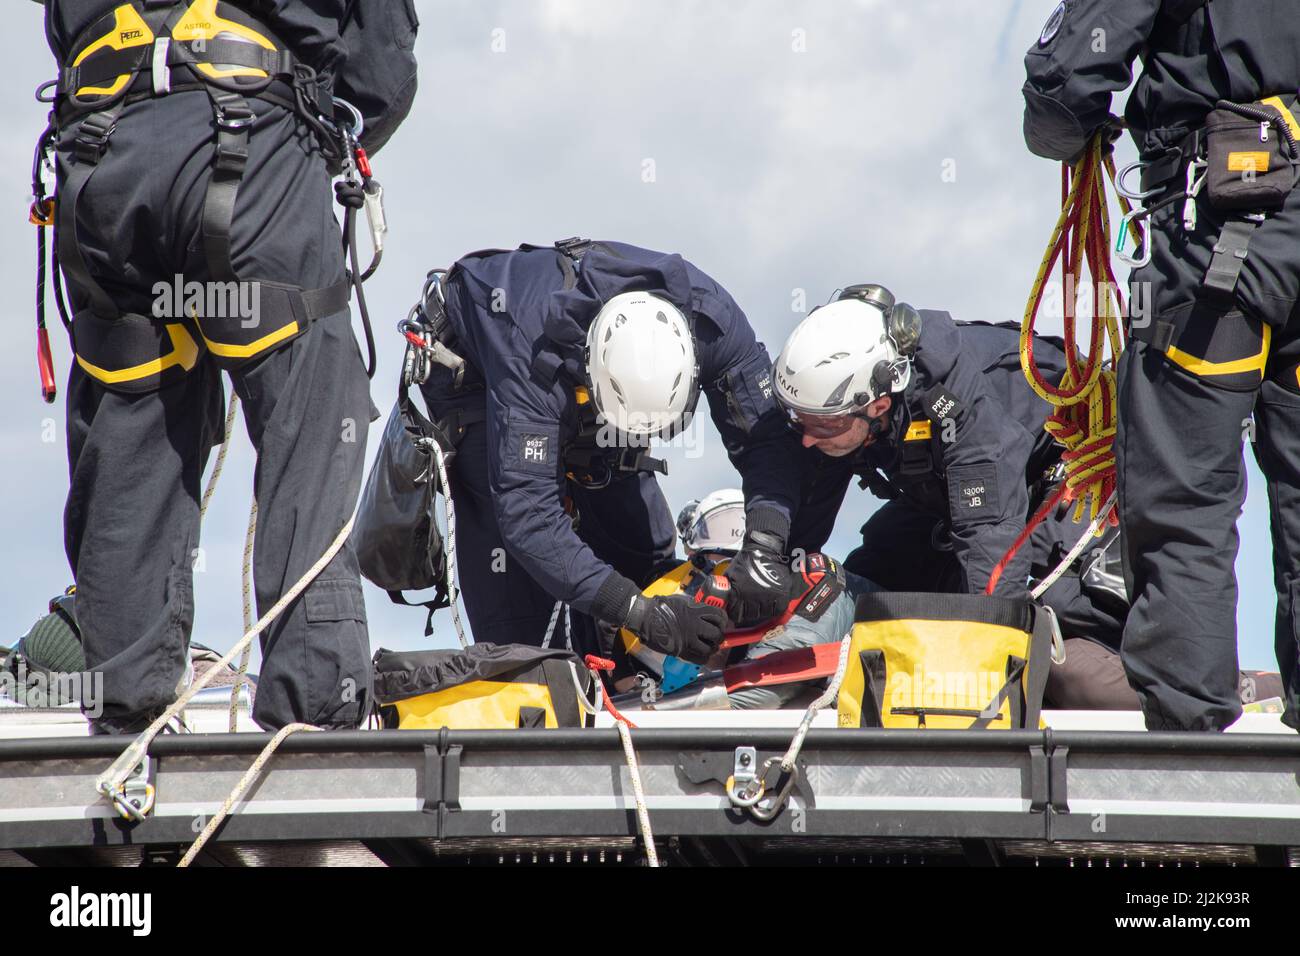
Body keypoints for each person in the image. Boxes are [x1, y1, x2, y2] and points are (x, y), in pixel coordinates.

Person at [43, 0, 417, 732]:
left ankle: (122, 710)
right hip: (252, 143)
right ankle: (314, 705)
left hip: (103, 161)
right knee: (312, 415)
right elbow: (380, 62)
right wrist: (326, 132)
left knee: (129, 432)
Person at [1022, 0, 1300, 730]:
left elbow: (1065, 84)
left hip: (1222, 240)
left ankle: (1192, 746)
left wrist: (1068, 124)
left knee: (1181, 499)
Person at [406, 239, 806, 678]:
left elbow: (767, 439)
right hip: (477, 368)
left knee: (641, 548)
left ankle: (632, 675)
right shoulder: (530, 358)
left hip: (583, 371)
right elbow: (530, 517)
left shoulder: (714, 324)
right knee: (521, 616)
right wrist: (639, 613)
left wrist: (767, 542)